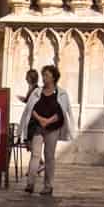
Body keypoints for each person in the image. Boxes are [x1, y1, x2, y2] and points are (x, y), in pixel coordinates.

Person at [22, 64, 71, 197]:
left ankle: (48, 186)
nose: (44, 78)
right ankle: (30, 184)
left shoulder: (61, 94)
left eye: (47, 75)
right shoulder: (37, 93)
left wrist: (48, 121)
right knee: (35, 155)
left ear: (54, 77)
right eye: (43, 75)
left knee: (49, 157)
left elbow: (62, 112)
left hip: (52, 128)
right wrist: (40, 119)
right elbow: (30, 109)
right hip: (38, 127)